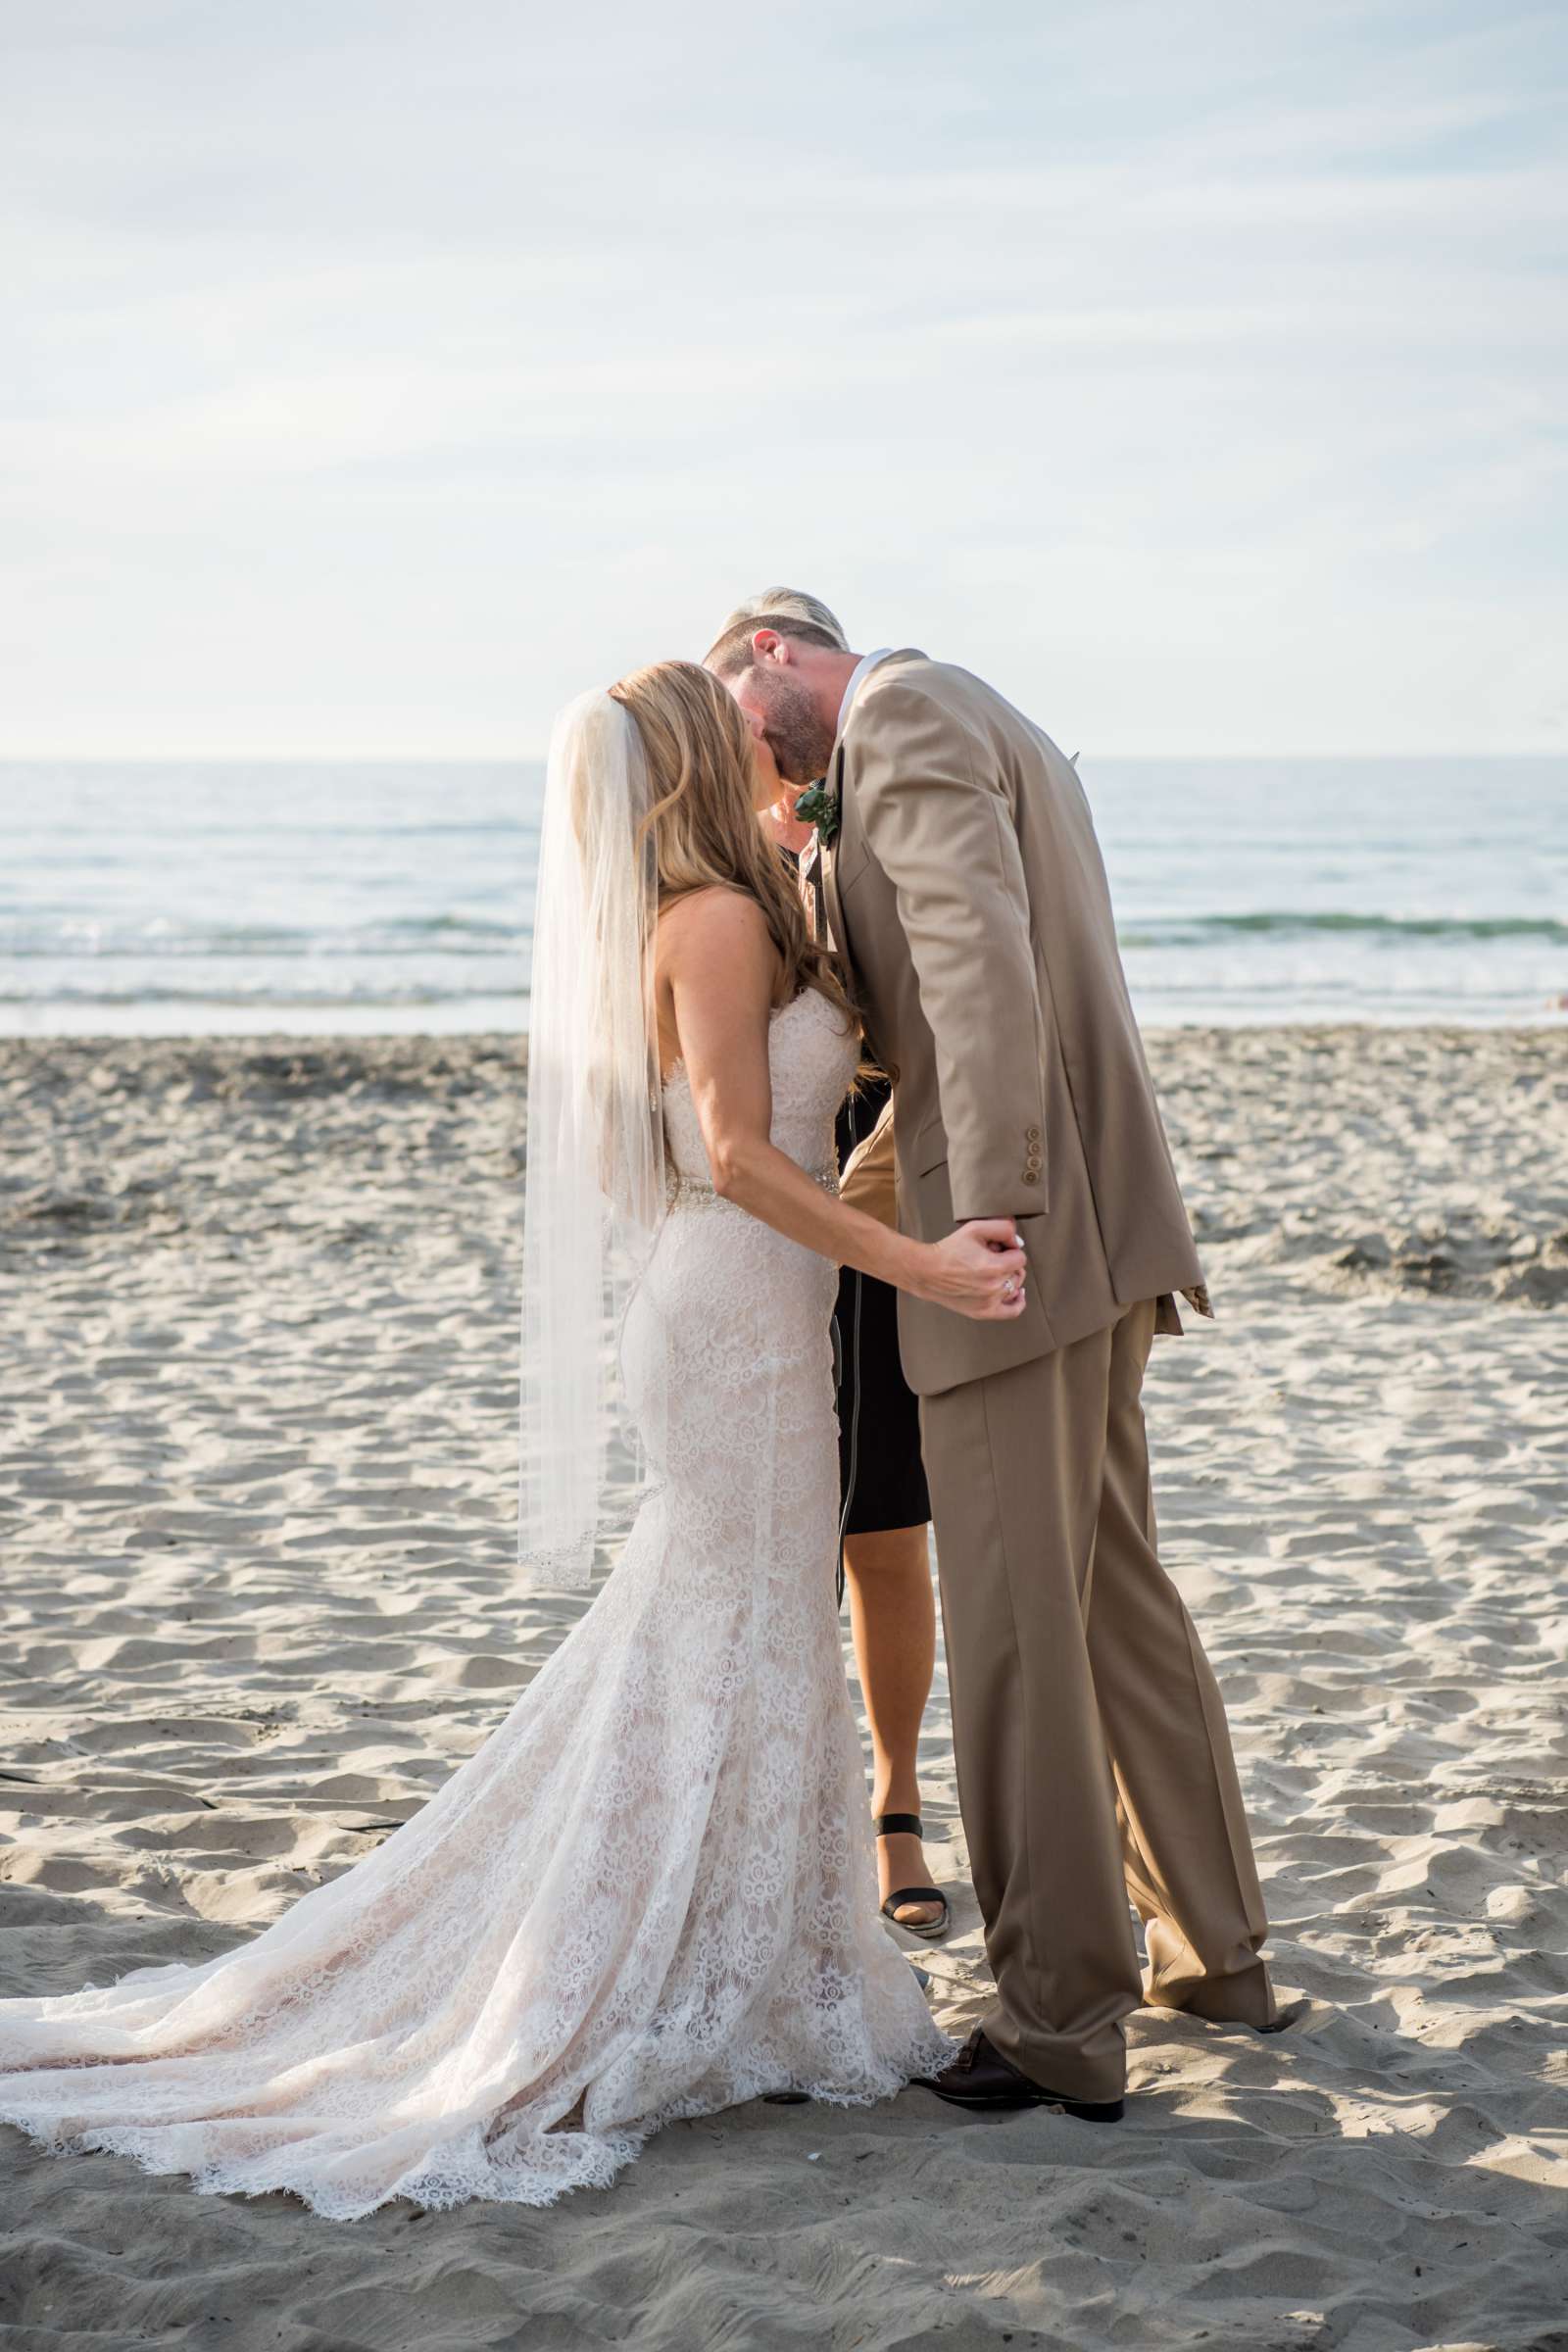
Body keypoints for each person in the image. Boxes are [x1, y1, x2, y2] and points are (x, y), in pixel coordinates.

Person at [0, 662, 1029, 2219]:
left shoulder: (730, 901)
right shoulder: (713, 922)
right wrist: (931, 1266)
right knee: (732, 1613)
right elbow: (746, 1156)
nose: (764, 711)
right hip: (738, 1312)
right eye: (735, 707)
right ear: (695, 751)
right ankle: (690, 1957)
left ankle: (769, 1942)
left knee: (745, 1617)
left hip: (757, 1314)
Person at [707, 611, 1280, 2124]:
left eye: (731, 705)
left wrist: (988, 1212)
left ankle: (1056, 2021)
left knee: (1022, 1631)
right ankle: (1215, 1954)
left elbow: (975, 964)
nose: (737, 745)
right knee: (1116, 1601)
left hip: (1023, 1249)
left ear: (775, 646)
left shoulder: (899, 714)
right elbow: (959, 991)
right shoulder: (969, 718)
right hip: (1097, 1230)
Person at [712, 588, 946, 1939]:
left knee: (880, 1518)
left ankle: (896, 1808)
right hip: (761, 1214)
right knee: (767, 1522)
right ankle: (778, 1805)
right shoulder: (712, 858)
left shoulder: (881, 795)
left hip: (871, 1172)